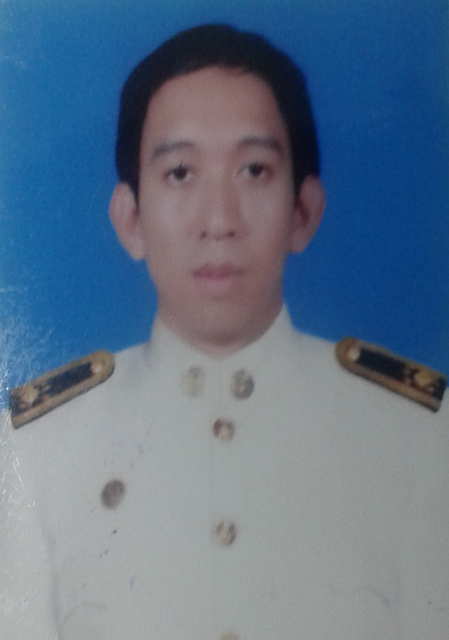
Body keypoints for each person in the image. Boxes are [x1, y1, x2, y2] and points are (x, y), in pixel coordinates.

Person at [1, 24, 448, 640]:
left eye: (254, 170)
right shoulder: (35, 454)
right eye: (180, 173)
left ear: (303, 211)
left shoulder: (419, 441)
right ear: (130, 220)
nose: (219, 220)